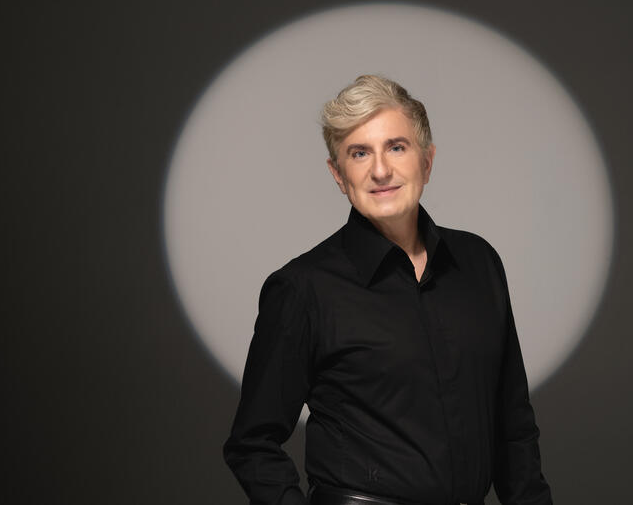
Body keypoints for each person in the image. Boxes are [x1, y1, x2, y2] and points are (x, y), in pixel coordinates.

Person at [223, 75, 553, 505]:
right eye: (359, 153)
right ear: (338, 174)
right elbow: (252, 444)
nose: (380, 170)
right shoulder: (302, 289)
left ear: (427, 161)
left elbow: (514, 427)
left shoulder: (479, 263)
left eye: (397, 147)